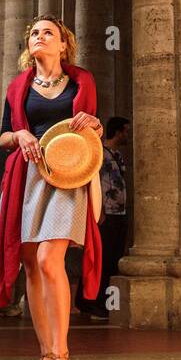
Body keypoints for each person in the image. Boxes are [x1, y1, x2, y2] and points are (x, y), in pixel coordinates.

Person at [0, 13, 103, 360]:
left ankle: (64, 355)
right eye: (34, 33)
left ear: (63, 44)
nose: (39, 37)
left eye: (48, 33)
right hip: (27, 175)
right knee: (30, 267)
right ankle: (45, 353)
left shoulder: (82, 81)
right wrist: (20, 133)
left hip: (68, 176)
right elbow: (4, 135)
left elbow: (94, 129)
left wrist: (95, 123)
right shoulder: (18, 86)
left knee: (48, 259)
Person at [76, 116, 130, 320]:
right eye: (126, 131)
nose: (127, 136)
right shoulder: (100, 153)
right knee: (100, 259)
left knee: (111, 261)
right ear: (117, 132)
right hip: (105, 215)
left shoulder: (117, 155)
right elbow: (94, 182)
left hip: (119, 213)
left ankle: (97, 302)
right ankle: (90, 303)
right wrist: (99, 212)